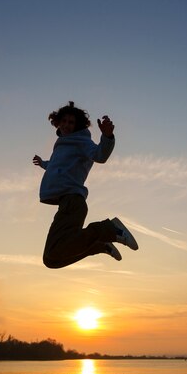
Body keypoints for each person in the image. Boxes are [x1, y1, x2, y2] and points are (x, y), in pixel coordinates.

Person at [33, 101, 138, 269]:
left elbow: (100, 155)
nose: (67, 125)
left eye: (71, 122)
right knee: (51, 259)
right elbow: (56, 166)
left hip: (73, 202)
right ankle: (99, 244)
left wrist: (107, 137)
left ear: (77, 125)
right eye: (64, 121)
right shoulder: (61, 145)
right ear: (58, 122)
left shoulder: (81, 141)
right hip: (65, 204)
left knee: (54, 252)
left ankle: (110, 229)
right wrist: (43, 163)